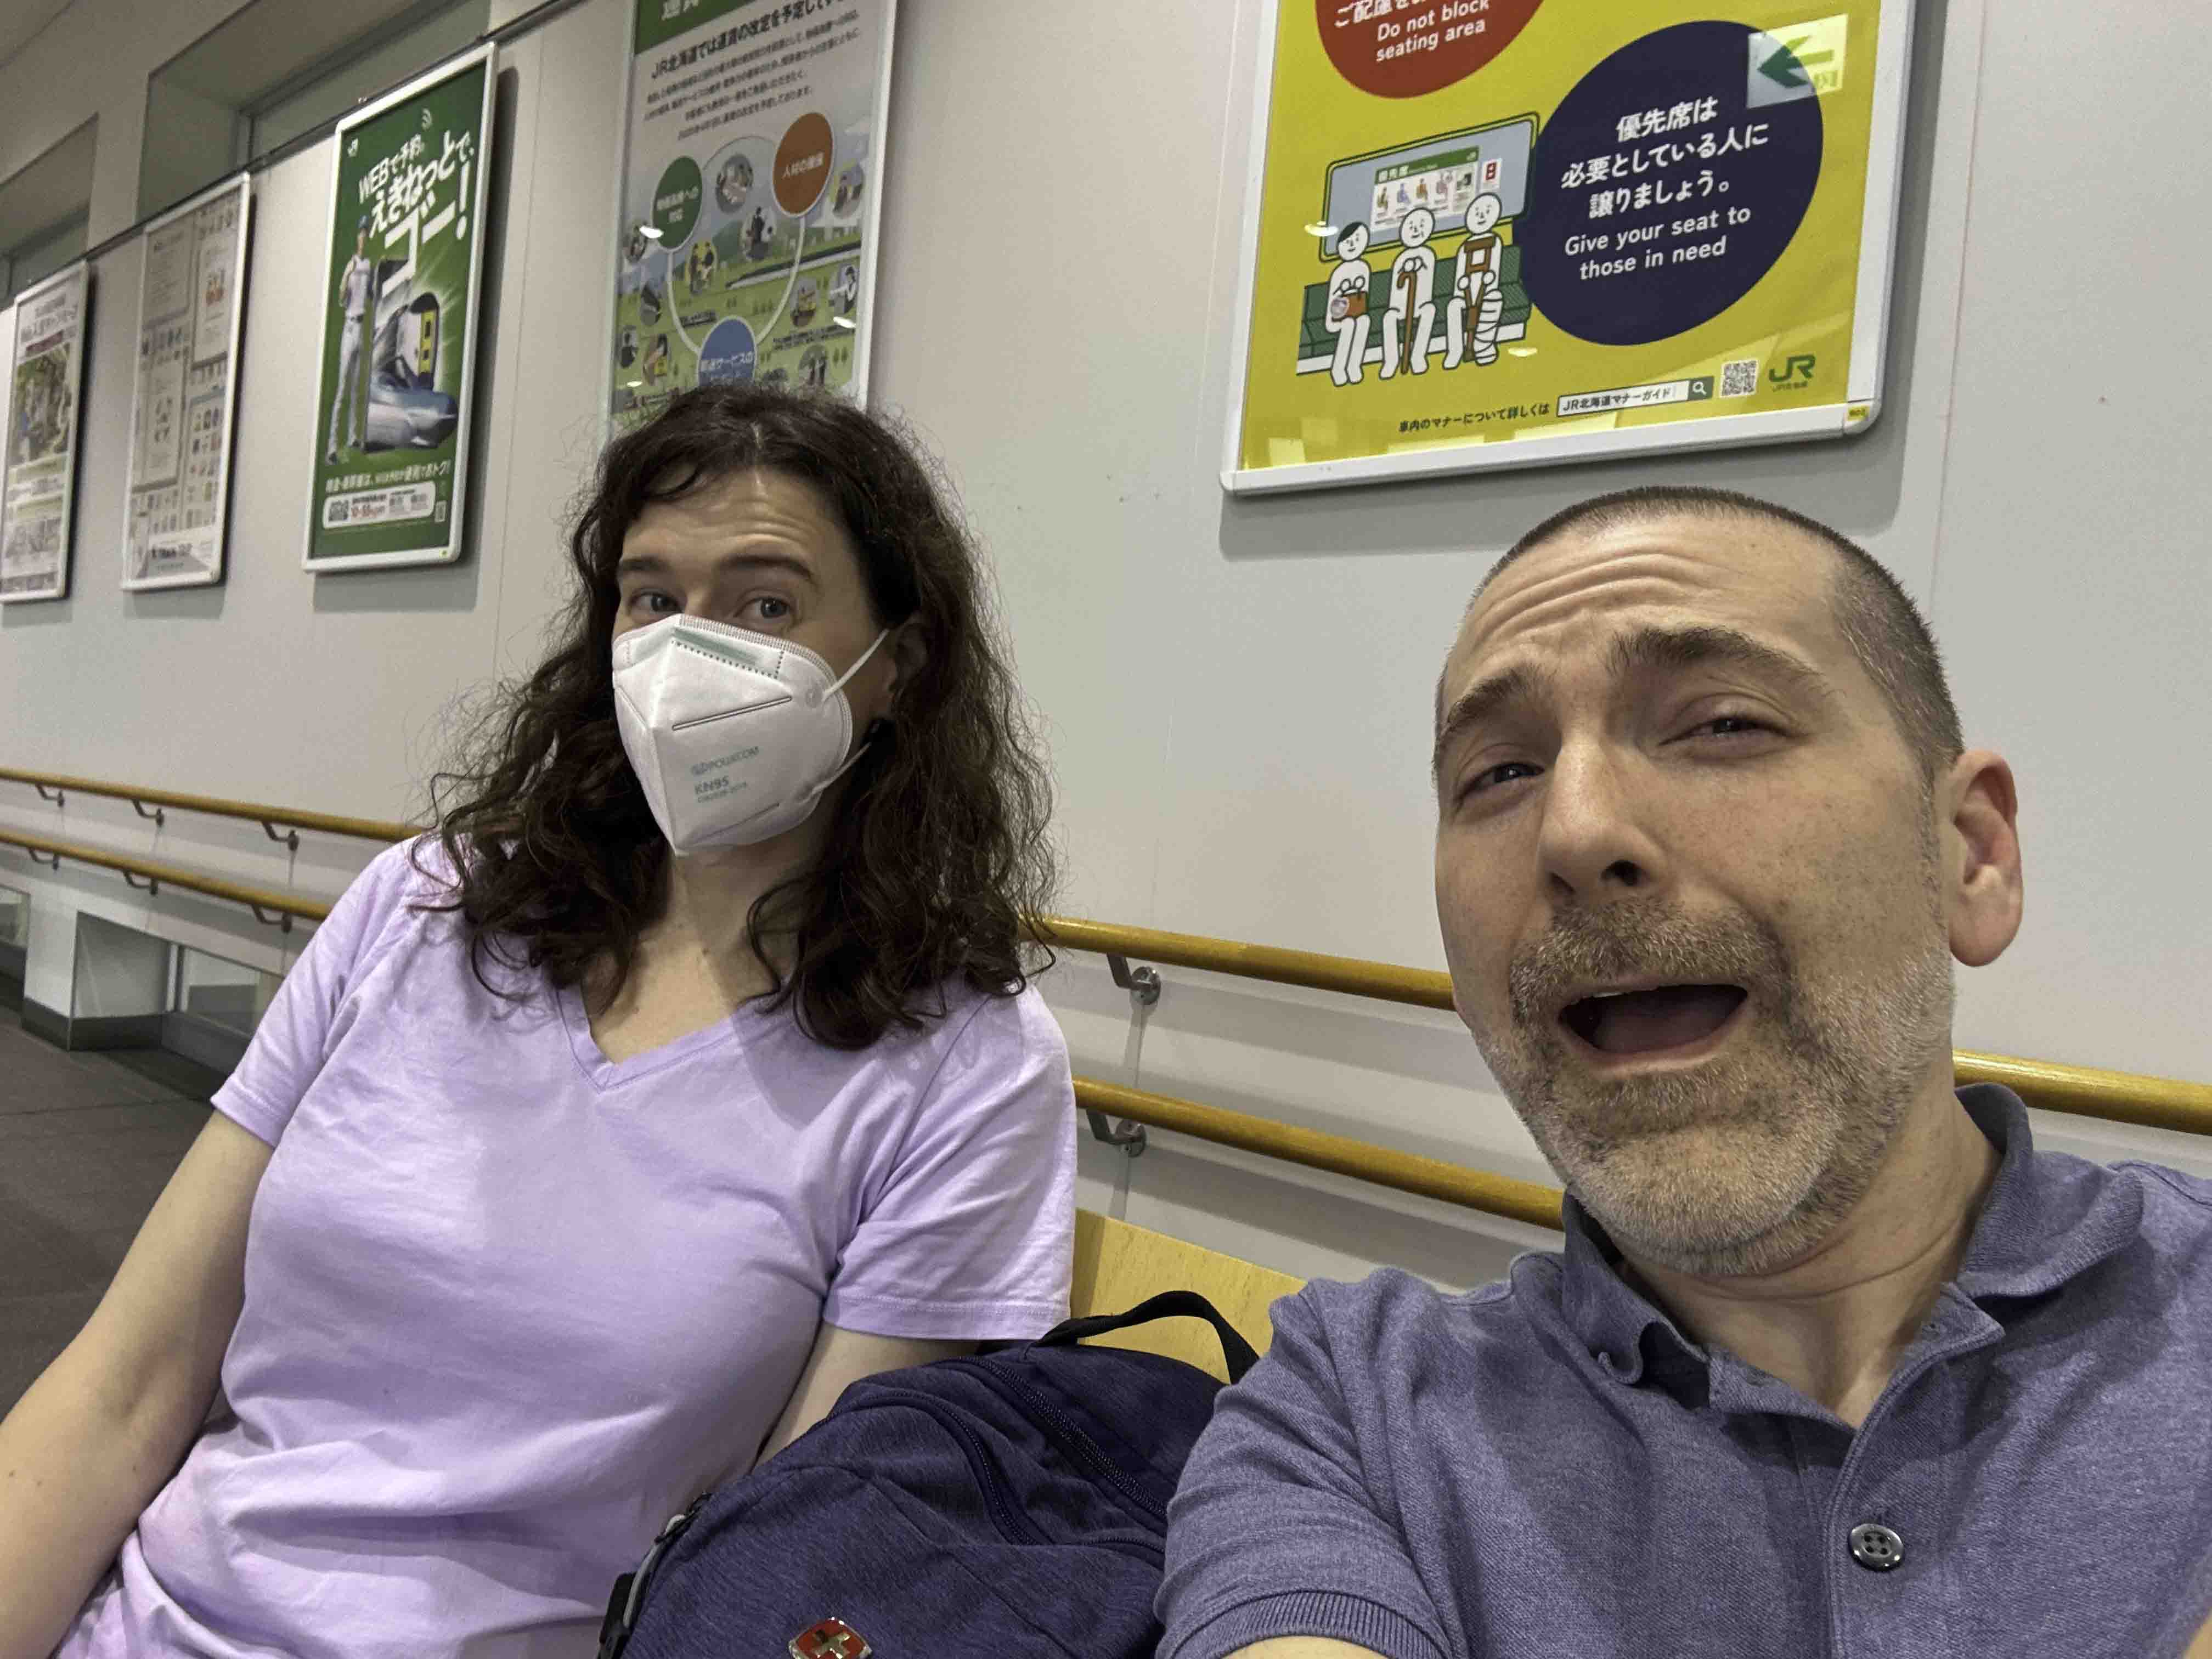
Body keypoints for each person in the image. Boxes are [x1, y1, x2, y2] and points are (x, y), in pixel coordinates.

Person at [1, 383, 1077, 1657]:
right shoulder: (425, 908)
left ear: (897, 664)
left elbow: (789, 1568)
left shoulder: (963, 1062)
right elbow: (125, 1388)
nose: (688, 658)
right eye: (652, 598)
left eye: (767, 606)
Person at [1158, 486, 2212, 1657]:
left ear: (1970, 855)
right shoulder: (1352, 1415)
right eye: (1499, 774)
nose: (1575, 830)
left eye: (1720, 724)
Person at [326, 216, 375, 464]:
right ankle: (332, 447)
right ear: (357, 237)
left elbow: (372, 294)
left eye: (366, 232)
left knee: (357, 386)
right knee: (342, 388)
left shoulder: (369, 266)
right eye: (361, 232)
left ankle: (353, 436)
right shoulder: (353, 264)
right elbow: (341, 297)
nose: (363, 236)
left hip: (361, 326)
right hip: (349, 327)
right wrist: (347, 277)